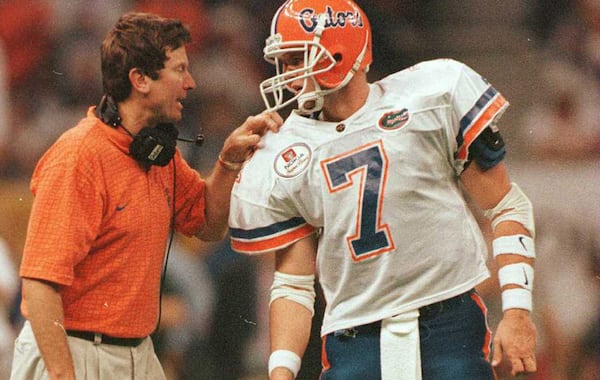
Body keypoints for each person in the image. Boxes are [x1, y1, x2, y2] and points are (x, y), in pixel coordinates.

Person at [228, 0, 537, 379]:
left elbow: (507, 205)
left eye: (297, 59)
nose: (288, 75)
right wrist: (280, 373)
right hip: (354, 337)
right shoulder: (283, 150)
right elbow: (293, 282)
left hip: (448, 322)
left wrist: (518, 311)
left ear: (340, 53)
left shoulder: (428, 97)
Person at [10, 11, 281, 380]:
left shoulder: (156, 154)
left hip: (137, 353)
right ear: (140, 79)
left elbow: (208, 224)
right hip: (73, 353)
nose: (191, 83)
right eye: (179, 69)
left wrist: (228, 162)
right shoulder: (79, 156)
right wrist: (63, 375)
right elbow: (40, 285)